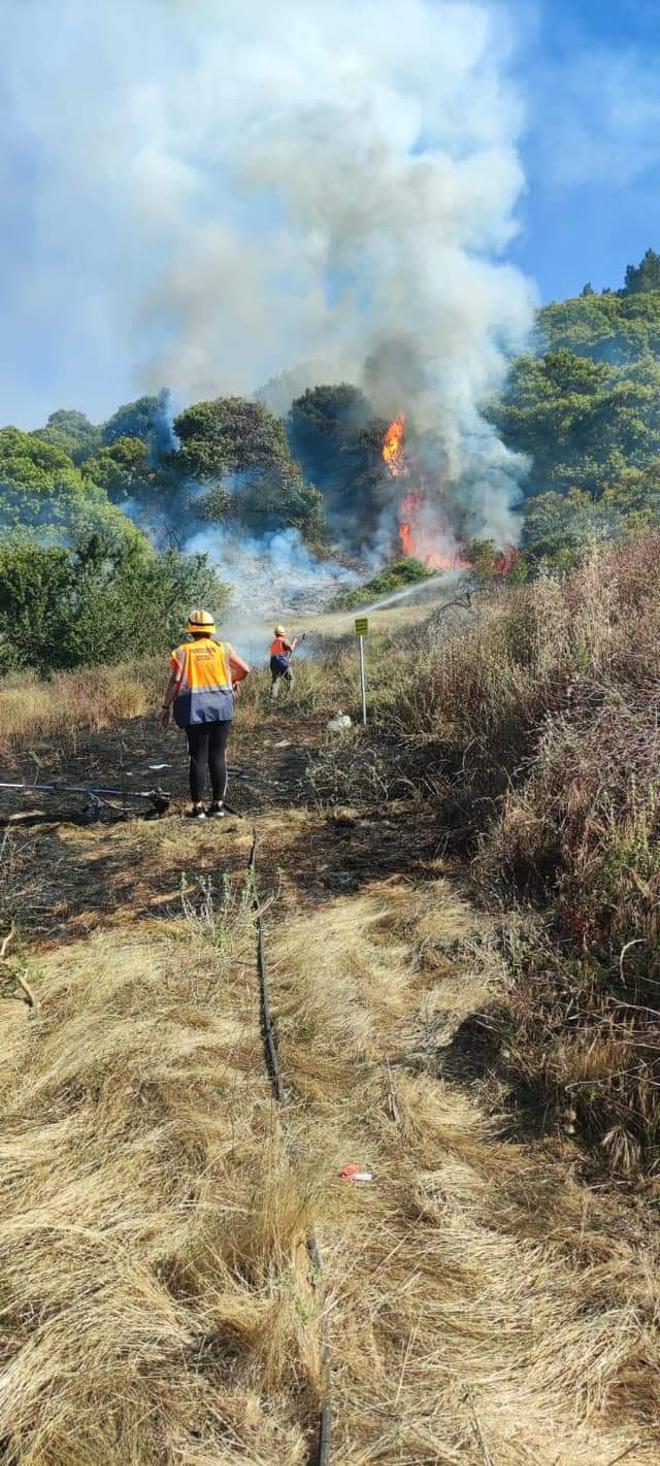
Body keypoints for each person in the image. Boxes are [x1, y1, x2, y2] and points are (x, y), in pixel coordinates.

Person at [160, 609, 250, 819]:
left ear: (191, 630)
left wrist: (165, 707)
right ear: (211, 630)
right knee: (218, 756)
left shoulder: (183, 652)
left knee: (198, 757)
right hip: (222, 708)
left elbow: (174, 681)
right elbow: (245, 669)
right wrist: (233, 680)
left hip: (195, 710)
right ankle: (218, 806)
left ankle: (198, 808)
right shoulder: (224, 648)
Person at [269, 624, 298, 700]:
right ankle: (288, 696)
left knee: (275, 681)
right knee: (291, 678)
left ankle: (272, 699)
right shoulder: (284, 640)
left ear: (275, 633)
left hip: (273, 663)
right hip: (282, 663)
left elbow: (279, 652)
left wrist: (287, 658)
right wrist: (294, 642)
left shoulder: (274, 642)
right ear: (283, 633)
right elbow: (291, 649)